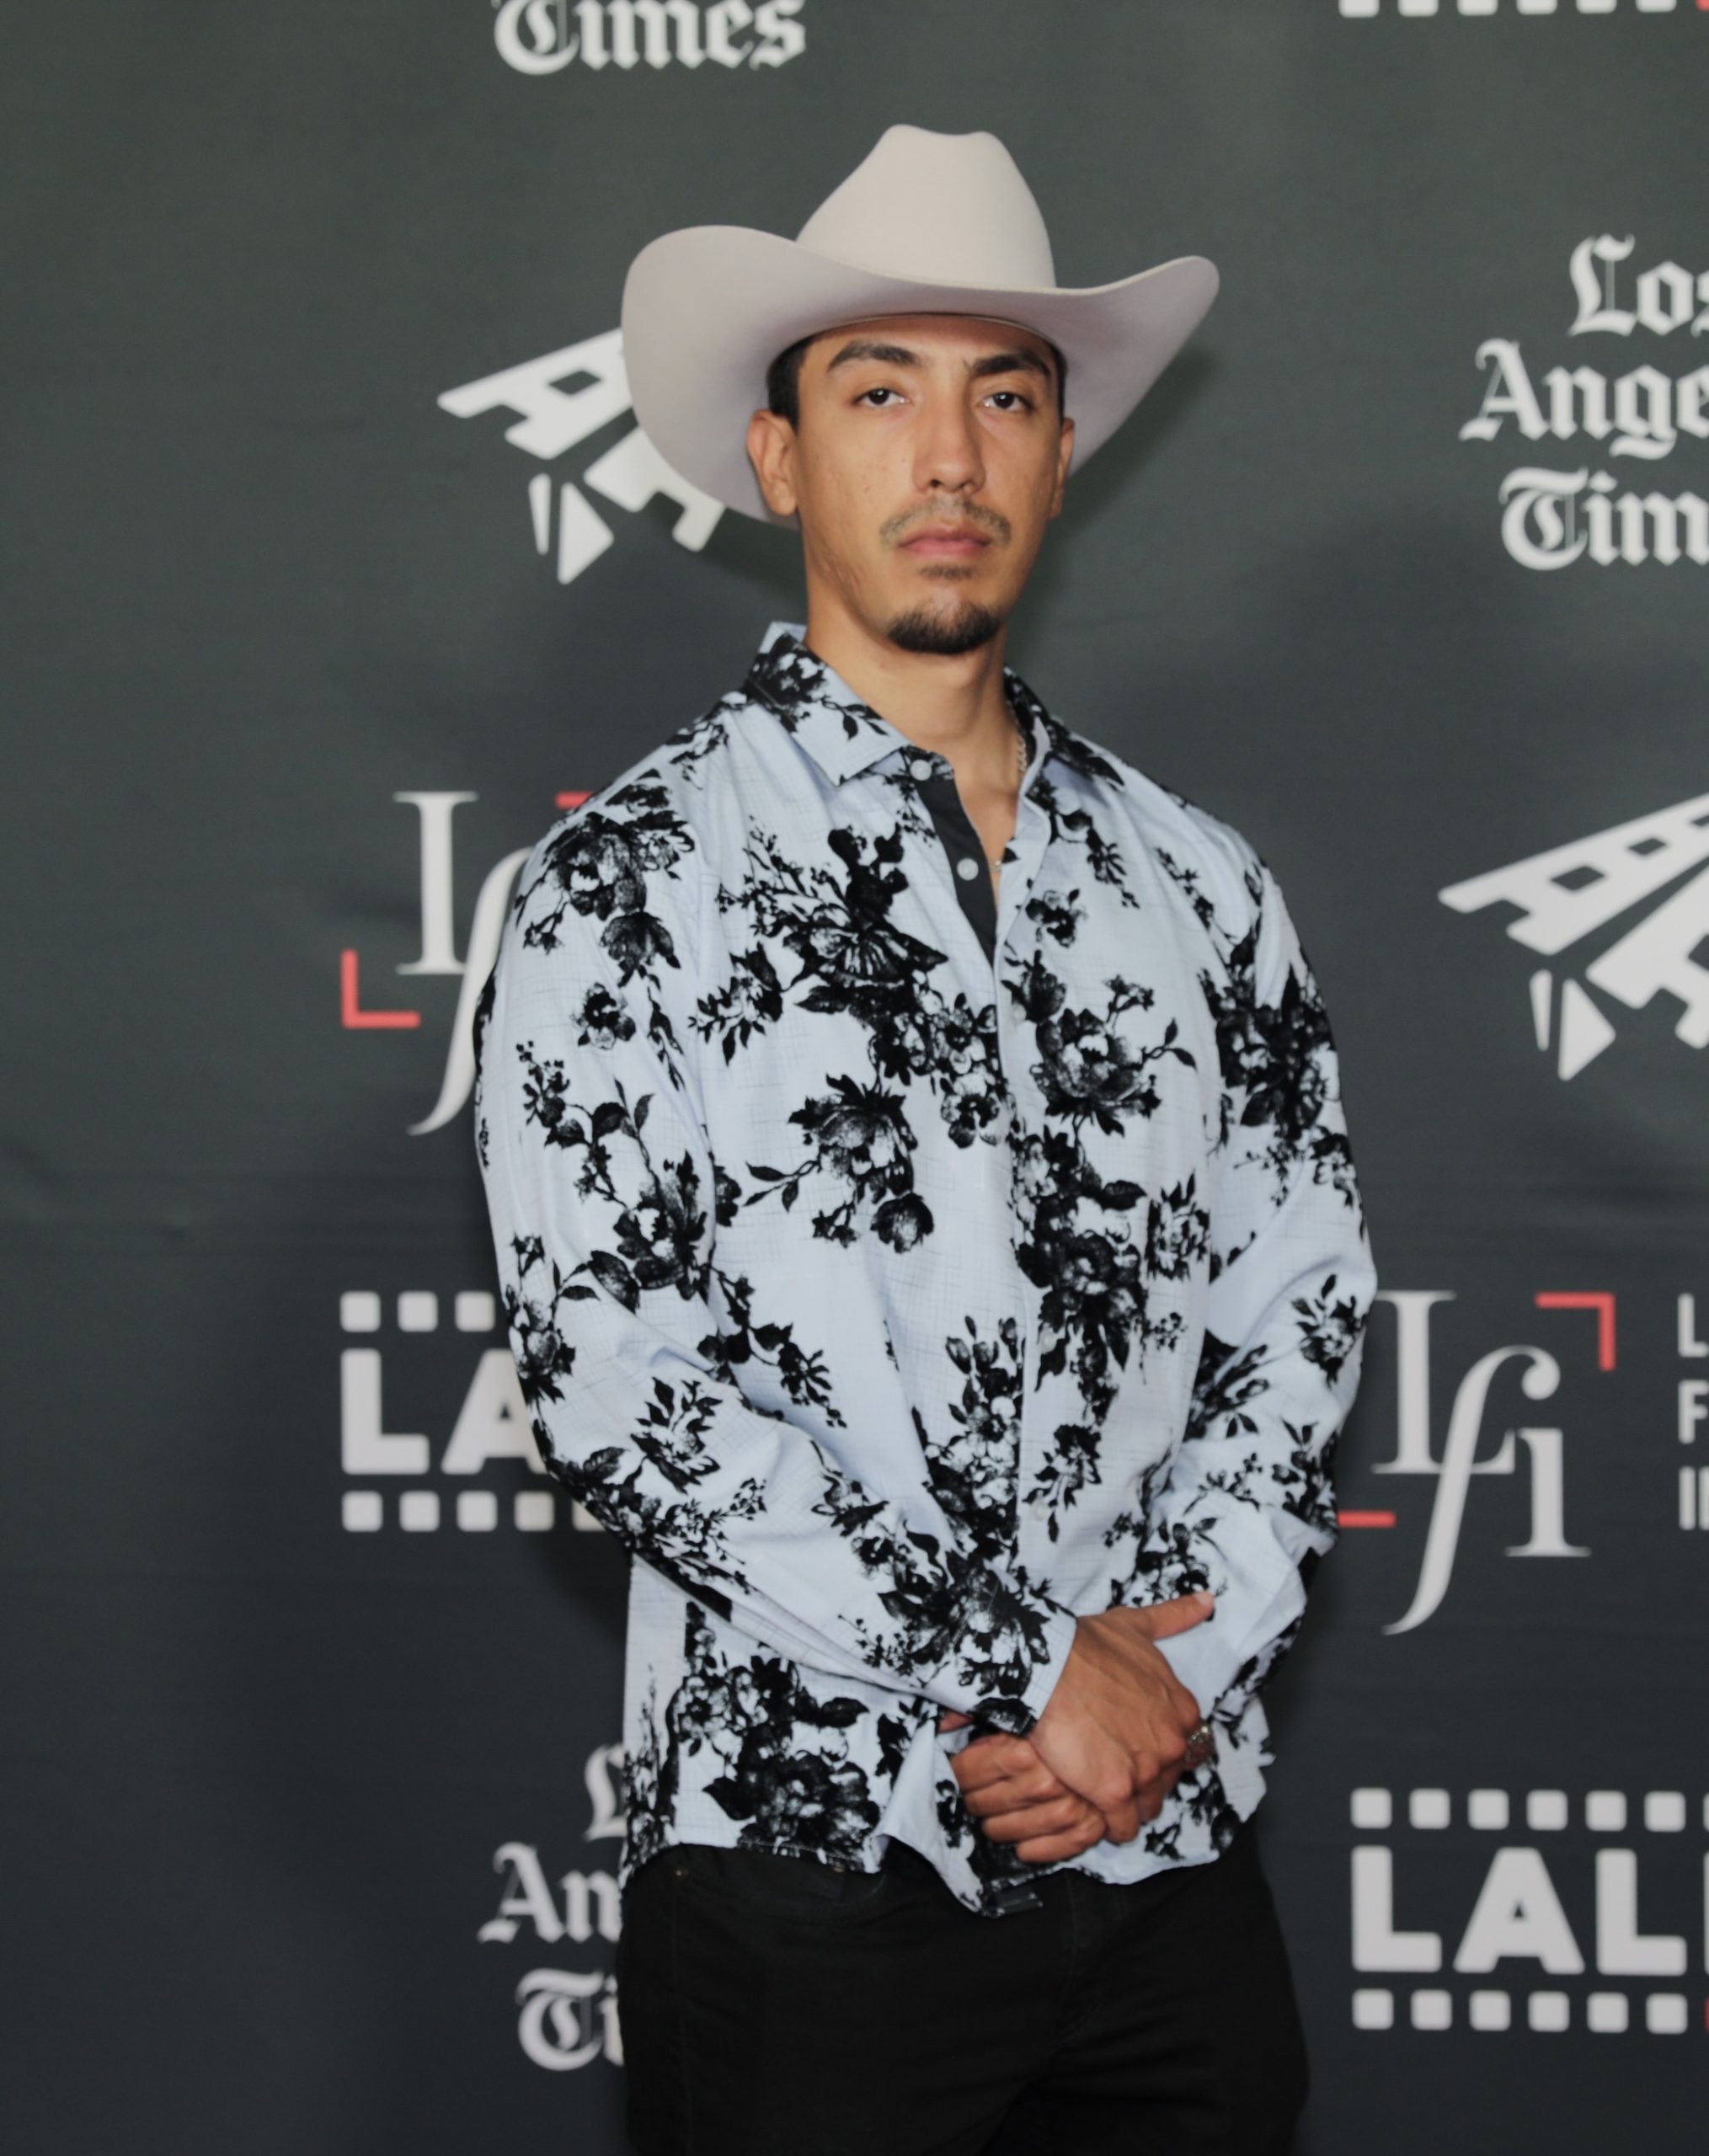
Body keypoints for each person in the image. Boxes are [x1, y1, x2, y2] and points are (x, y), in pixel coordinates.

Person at [474, 124, 1375, 2156]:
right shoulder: (623, 888)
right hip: (809, 1876)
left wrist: (1179, 1662)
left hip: (1165, 1850)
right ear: (779, 457)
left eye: (1006, 394)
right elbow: (626, 1382)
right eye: (878, 391)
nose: (947, 455)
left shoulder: (1200, 880)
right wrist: (1020, 1669)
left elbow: (1296, 1292)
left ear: (1066, 454)